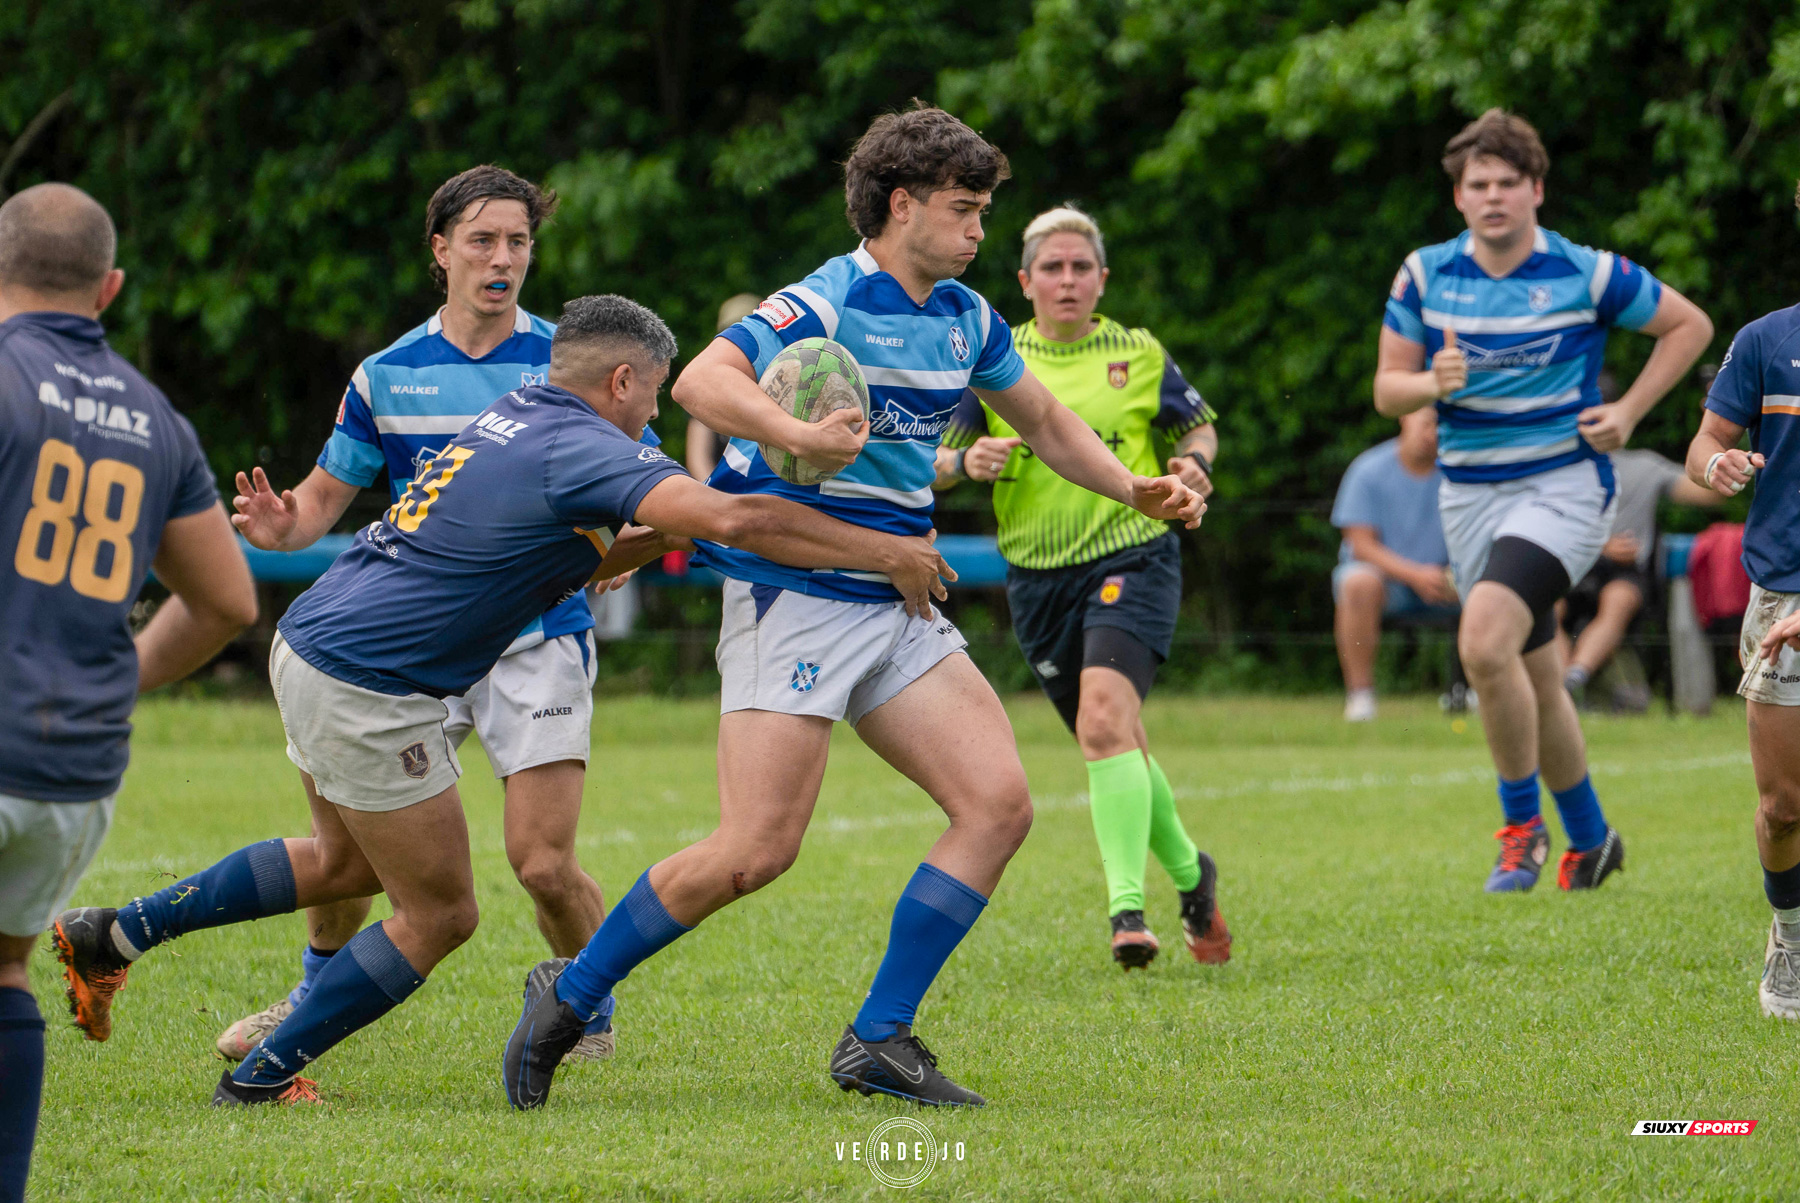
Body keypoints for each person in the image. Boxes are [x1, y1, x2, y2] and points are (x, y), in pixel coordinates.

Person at [52, 295, 954, 1107]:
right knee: (442, 913)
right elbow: (735, 521)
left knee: (342, 864)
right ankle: (261, 1076)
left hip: (320, 639)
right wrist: (885, 551)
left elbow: (590, 552)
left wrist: (678, 525)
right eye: (652, 398)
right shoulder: (586, 443)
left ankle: (111, 934)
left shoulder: (518, 415)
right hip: (372, 681)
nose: (653, 418)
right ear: (624, 378)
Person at [501, 104, 1202, 1111]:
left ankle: (879, 1037)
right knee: (754, 853)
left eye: (984, 210)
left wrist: (1133, 487)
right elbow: (703, 379)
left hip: (898, 601)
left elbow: (1044, 420)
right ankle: (568, 996)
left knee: (999, 805)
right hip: (794, 598)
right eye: (963, 210)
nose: (978, 232)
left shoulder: (964, 316)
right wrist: (796, 430)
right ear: (901, 204)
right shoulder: (825, 300)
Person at [212, 165, 626, 1064]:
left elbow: (643, 489)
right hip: (409, 650)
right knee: (345, 849)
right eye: (483, 240)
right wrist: (287, 527)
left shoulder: (572, 362)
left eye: (518, 241)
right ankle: (315, 990)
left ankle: (585, 1012)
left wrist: (611, 542)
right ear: (441, 252)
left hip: (537, 640)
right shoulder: (388, 373)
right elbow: (321, 502)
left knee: (544, 865)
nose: (503, 258)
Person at [1374, 109, 1712, 894]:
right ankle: (1591, 839)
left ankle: (1521, 830)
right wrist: (1432, 384)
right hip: (1468, 497)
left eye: (1507, 183)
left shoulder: (1586, 273)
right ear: (1458, 197)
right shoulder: (1425, 273)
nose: (1492, 197)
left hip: (1564, 488)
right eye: (1476, 184)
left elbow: (1689, 326)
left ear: (1537, 189)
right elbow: (1389, 388)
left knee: (1485, 639)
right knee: (1535, 673)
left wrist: (1628, 415)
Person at [0, 184, 256, 1201]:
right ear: (107, 287)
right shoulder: (154, 417)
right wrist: (116, 679)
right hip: (75, 764)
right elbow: (227, 597)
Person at [935, 204, 1230, 971]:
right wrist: (966, 463)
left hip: (1132, 555)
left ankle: (1126, 911)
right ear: (1025, 280)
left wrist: (1195, 463)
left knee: (1104, 722)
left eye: (1081, 266)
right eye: (1052, 268)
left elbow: (1196, 427)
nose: (1067, 280)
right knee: (1115, 739)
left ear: (1102, 278)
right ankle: (1197, 877)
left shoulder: (1137, 352)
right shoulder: (994, 357)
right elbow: (929, 458)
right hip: (1036, 577)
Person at [1684, 250, 1800, 1018]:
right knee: (1785, 804)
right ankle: (1791, 938)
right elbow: (1702, 449)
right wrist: (1717, 464)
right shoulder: (1765, 340)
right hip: (1781, 584)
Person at [1557, 446, 1721, 709]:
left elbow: (1708, 495)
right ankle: (1558, 689)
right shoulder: (1561, 466)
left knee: (1618, 601)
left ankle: (1572, 681)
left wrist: (1717, 442)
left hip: (1625, 570)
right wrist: (1599, 544)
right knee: (1547, 608)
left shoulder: (1646, 465)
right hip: (1573, 560)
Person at [1331, 406, 1462, 722]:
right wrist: (1416, 575)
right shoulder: (1368, 469)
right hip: (1389, 585)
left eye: (1442, 426)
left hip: (1448, 582)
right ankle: (1360, 697)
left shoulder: (1462, 472)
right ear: (1405, 417)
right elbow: (1360, 545)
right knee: (1358, 581)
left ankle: (1478, 693)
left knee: (1496, 584)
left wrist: (1455, 575)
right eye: (1427, 423)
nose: (1433, 434)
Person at [683, 293, 762, 479]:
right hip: (723, 495)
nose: (740, 343)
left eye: (747, 334)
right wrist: (720, 500)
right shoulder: (708, 390)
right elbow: (698, 459)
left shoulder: (780, 381)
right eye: (733, 334)